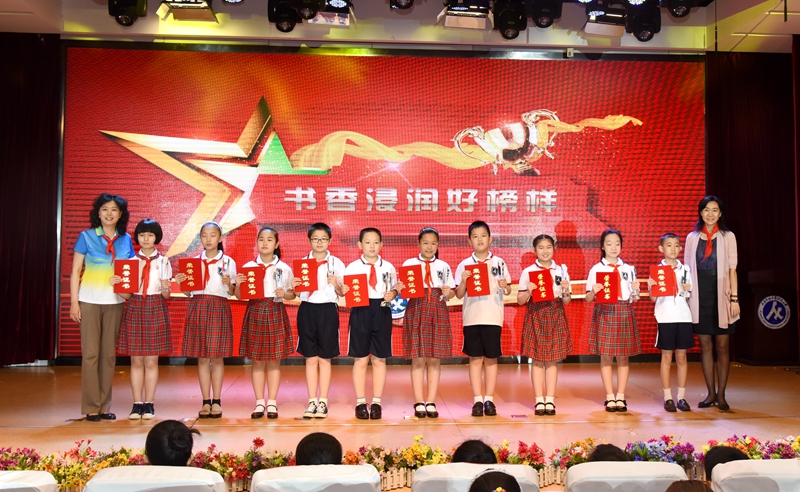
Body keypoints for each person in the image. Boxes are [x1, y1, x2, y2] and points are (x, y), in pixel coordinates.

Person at [69, 193, 135, 421]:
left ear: (120, 214)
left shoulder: (126, 240)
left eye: (114, 209)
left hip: (115, 303)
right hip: (89, 301)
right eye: (105, 209)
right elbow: (75, 271)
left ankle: (104, 406)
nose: (109, 213)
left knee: (108, 356)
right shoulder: (86, 236)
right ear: (98, 213)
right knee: (90, 355)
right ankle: (91, 406)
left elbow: (130, 272)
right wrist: (74, 302)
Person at [175, 221, 236, 419]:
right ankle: (205, 401)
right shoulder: (192, 263)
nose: (208, 239)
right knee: (202, 357)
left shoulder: (228, 262)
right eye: (204, 236)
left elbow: (233, 291)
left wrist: (229, 284)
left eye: (212, 235)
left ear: (220, 238)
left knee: (217, 357)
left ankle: (217, 401)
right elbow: (187, 292)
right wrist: (181, 283)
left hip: (219, 307)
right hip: (198, 306)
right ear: (200, 238)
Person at [685, 196, 740, 411]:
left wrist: (734, 298)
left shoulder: (728, 236)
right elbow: (687, 271)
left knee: (722, 346)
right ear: (701, 212)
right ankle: (710, 394)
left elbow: (732, 269)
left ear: (720, 214)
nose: (710, 214)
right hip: (700, 295)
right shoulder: (692, 238)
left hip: (722, 295)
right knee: (705, 346)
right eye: (706, 210)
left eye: (715, 210)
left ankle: (722, 395)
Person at [235, 227, 295, 420]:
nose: (265, 243)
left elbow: (292, 294)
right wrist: (238, 284)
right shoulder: (248, 267)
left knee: (274, 361)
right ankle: (259, 402)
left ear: (276, 244)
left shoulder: (284, 268)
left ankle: (272, 403)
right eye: (261, 239)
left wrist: (285, 294)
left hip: (275, 310)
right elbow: (239, 295)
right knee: (257, 361)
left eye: (269, 240)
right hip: (255, 310)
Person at [115, 219, 172, 420]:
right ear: (137, 237)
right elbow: (127, 295)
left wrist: (166, 286)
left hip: (156, 306)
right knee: (136, 360)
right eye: (142, 235)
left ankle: (149, 404)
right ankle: (136, 404)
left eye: (150, 235)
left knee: (151, 361)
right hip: (135, 306)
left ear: (157, 237)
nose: (146, 239)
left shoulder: (164, 262)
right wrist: (116, 285)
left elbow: (166, 296)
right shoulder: (129, 262)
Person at [455, 221, 512, 417]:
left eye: (483, 236)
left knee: (491, 359)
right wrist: (463, 281)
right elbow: (459, 294)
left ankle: (489, 399)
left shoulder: (499, 263)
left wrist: (505, 286)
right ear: (469, 240)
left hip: (493, 317)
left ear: (490, 239)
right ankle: (477, 400)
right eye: (475, 236)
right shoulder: (464, 265)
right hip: (472, 318)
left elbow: (508, 289)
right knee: (475, 359)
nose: (479, 240)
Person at [292, 223, 346, 419]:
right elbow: (296, 293)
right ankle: (311, 401)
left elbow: (342, 293)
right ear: (309, 241)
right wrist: (294, 286)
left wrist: (336, 284)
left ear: (329, 241)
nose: (319, 242)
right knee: (310, 358)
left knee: (325, 358)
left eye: (323, 239)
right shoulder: (302, 264)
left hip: (328, 310)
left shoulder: (337, 264)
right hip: (307, 309)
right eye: (315, 239)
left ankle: (323, 401)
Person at [343, 228, 398, 420]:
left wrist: (393, 294)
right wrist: (343, 289)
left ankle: (376, 402)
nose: (372, 246)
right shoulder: (352, 268)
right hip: (360, 311)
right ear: (360, 245)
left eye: (376, 242)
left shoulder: (388, 267)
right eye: (367, 242)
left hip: (381, 310)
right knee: (360, 359)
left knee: (379, 359)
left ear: (381, 244)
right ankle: (360, 402)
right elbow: (345, 292)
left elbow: (394, 290)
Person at [401, 227, 455, 419]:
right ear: (419, 244)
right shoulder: (409, 264)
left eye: (433, 243)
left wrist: (449, 292)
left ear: (438, 245)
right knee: (417, 358)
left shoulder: (443, 266)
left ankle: (431, 401)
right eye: (425, 243)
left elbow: (452, 293)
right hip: (416, 309)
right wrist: (400, 288)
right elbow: (403, 291)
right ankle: (418, 402)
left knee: (434, 358)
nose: (429, 247)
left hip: (438, 310)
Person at [585, 229, 641, 413]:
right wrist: (594, 291)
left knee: (623, 356)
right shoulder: (597, 269)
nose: (613, 247)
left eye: (617, 243)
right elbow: (588, 298)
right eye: (609, 244)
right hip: (605, 312)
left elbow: (634, 298)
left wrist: (636, 290)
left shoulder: (628, 269)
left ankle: (621, 396)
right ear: (602, 246)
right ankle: (609, 396)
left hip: (624, 311)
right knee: (606, 356)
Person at [517, 234, 573, 416]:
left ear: (554, 249)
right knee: (537, 360)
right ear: (535, 250)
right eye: (541, 247)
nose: (545, 251)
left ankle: (550, 400)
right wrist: (528, 291)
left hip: (555, 313)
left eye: (548, 247)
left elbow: (566, 301)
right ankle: (539, 400)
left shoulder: (561, 271)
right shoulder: (528, 272)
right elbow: (520, 300)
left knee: (552, 360)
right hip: (536, 314)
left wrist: (565, 290)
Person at [647, 233, 693, 413]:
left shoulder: (686, 269)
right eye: (668, 245)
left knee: (682, 357)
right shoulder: (657, 271)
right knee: (666, 357)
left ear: (680, 248)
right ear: (661, 248)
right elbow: (653, 298)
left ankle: (681, 397)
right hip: (665, 317)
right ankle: (668, 397)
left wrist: (688, 289)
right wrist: (651, 286)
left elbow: (688, 295)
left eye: (676, 245)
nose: (673, 249)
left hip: (684, 316)